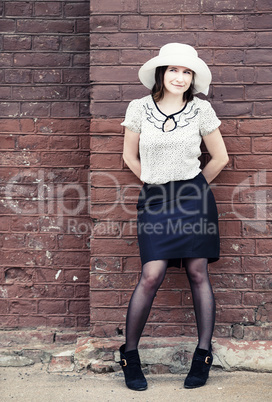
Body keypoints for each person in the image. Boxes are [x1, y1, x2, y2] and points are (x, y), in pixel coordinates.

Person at [119, 43, 229, 391]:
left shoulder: (201, 110)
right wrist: (154, 183)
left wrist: (190, 190)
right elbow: (129, 155)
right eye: (173, 70)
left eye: (186, 72)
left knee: (198, 272)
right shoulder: (138, 108)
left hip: (193, 199)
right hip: (155, 200)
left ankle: (202, 355)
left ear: (192, 78)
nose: (180, 77)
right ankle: (129, 355)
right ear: (161, 74)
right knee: (152, 274)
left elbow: (220, 158)